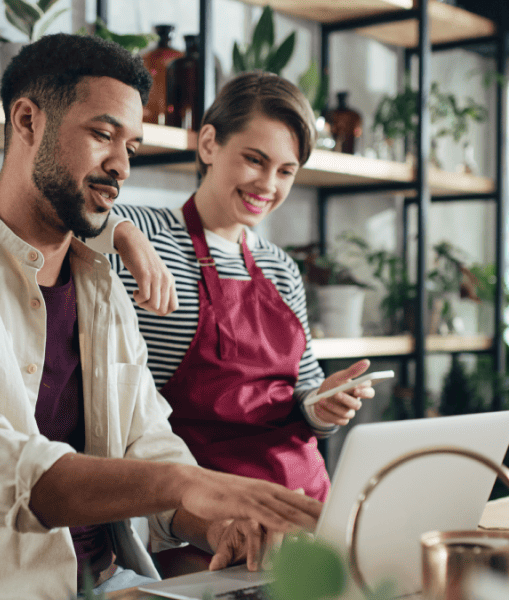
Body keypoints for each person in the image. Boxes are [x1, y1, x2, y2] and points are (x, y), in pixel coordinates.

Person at [0, 35, 322, 600]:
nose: (121, 166)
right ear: (27, 120)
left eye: (132, 144)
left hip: (113, 585)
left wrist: (217, 522)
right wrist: (190, 482)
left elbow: (147, 440)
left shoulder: (102, 284)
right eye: (103, 135)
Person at [91, 71, 377, 571]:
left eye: (286, 171)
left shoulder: (281, 268)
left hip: (303, 510)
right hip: (205, 524)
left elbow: (301, 400)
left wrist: (323, 403)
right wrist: (123, 235)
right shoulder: (147, 234)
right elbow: (67, 219)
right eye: (254, 159)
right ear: (208, 143)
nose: (268, 185)